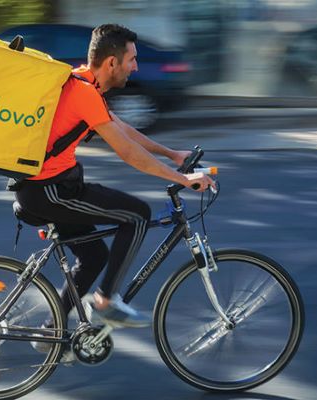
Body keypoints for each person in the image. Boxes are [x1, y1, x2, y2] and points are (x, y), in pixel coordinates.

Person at [15, 23, 214, 328]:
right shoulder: (84, 92)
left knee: (94, 257)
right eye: (131, 59)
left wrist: (172, 154)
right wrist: (182, 179)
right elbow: (128, 153)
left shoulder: (84, 83)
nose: (135, 67)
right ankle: (106, 303)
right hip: (50, 192)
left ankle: (52, 331)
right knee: (136, 215)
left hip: (50, 187)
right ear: (111, 62)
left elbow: (123, 130)